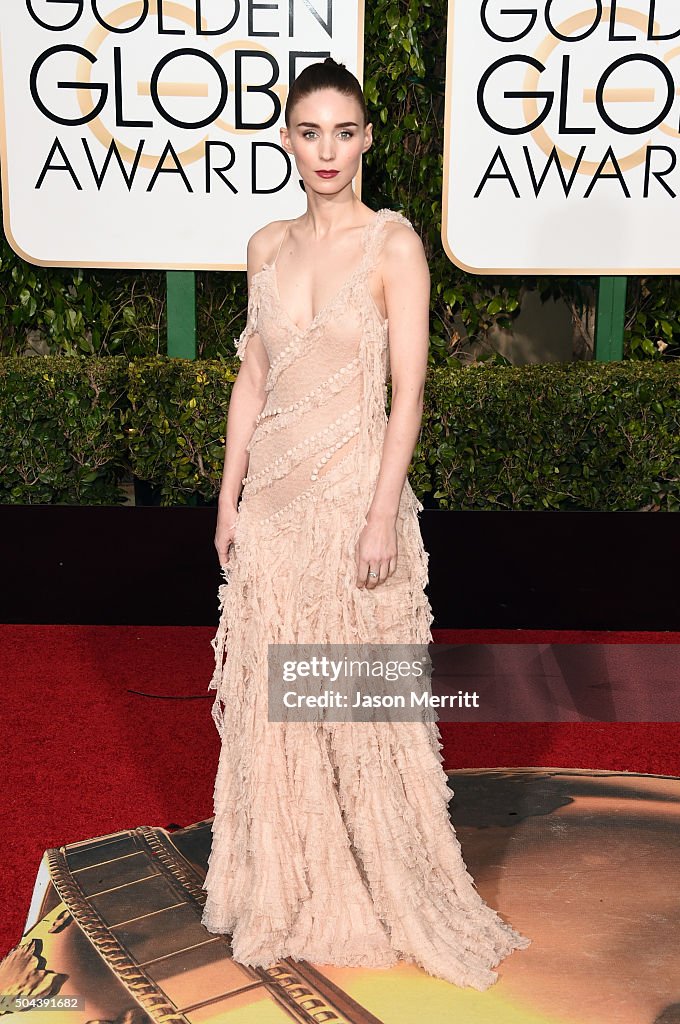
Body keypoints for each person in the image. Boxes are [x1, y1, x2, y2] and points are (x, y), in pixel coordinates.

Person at [200, 56, 531, 991]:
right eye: (311, 132)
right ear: (286, 139)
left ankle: (379, 882)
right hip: (271, 517)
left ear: (368, 140)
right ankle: (290, 877)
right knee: (280, 715)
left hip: (354, 514)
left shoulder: (395, 247)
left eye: (345, 132)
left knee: (358, 709)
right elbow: (253, 379)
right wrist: (227, 497)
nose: (328, 150)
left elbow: (411, 391)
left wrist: (383, 514)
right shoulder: (265, 246)